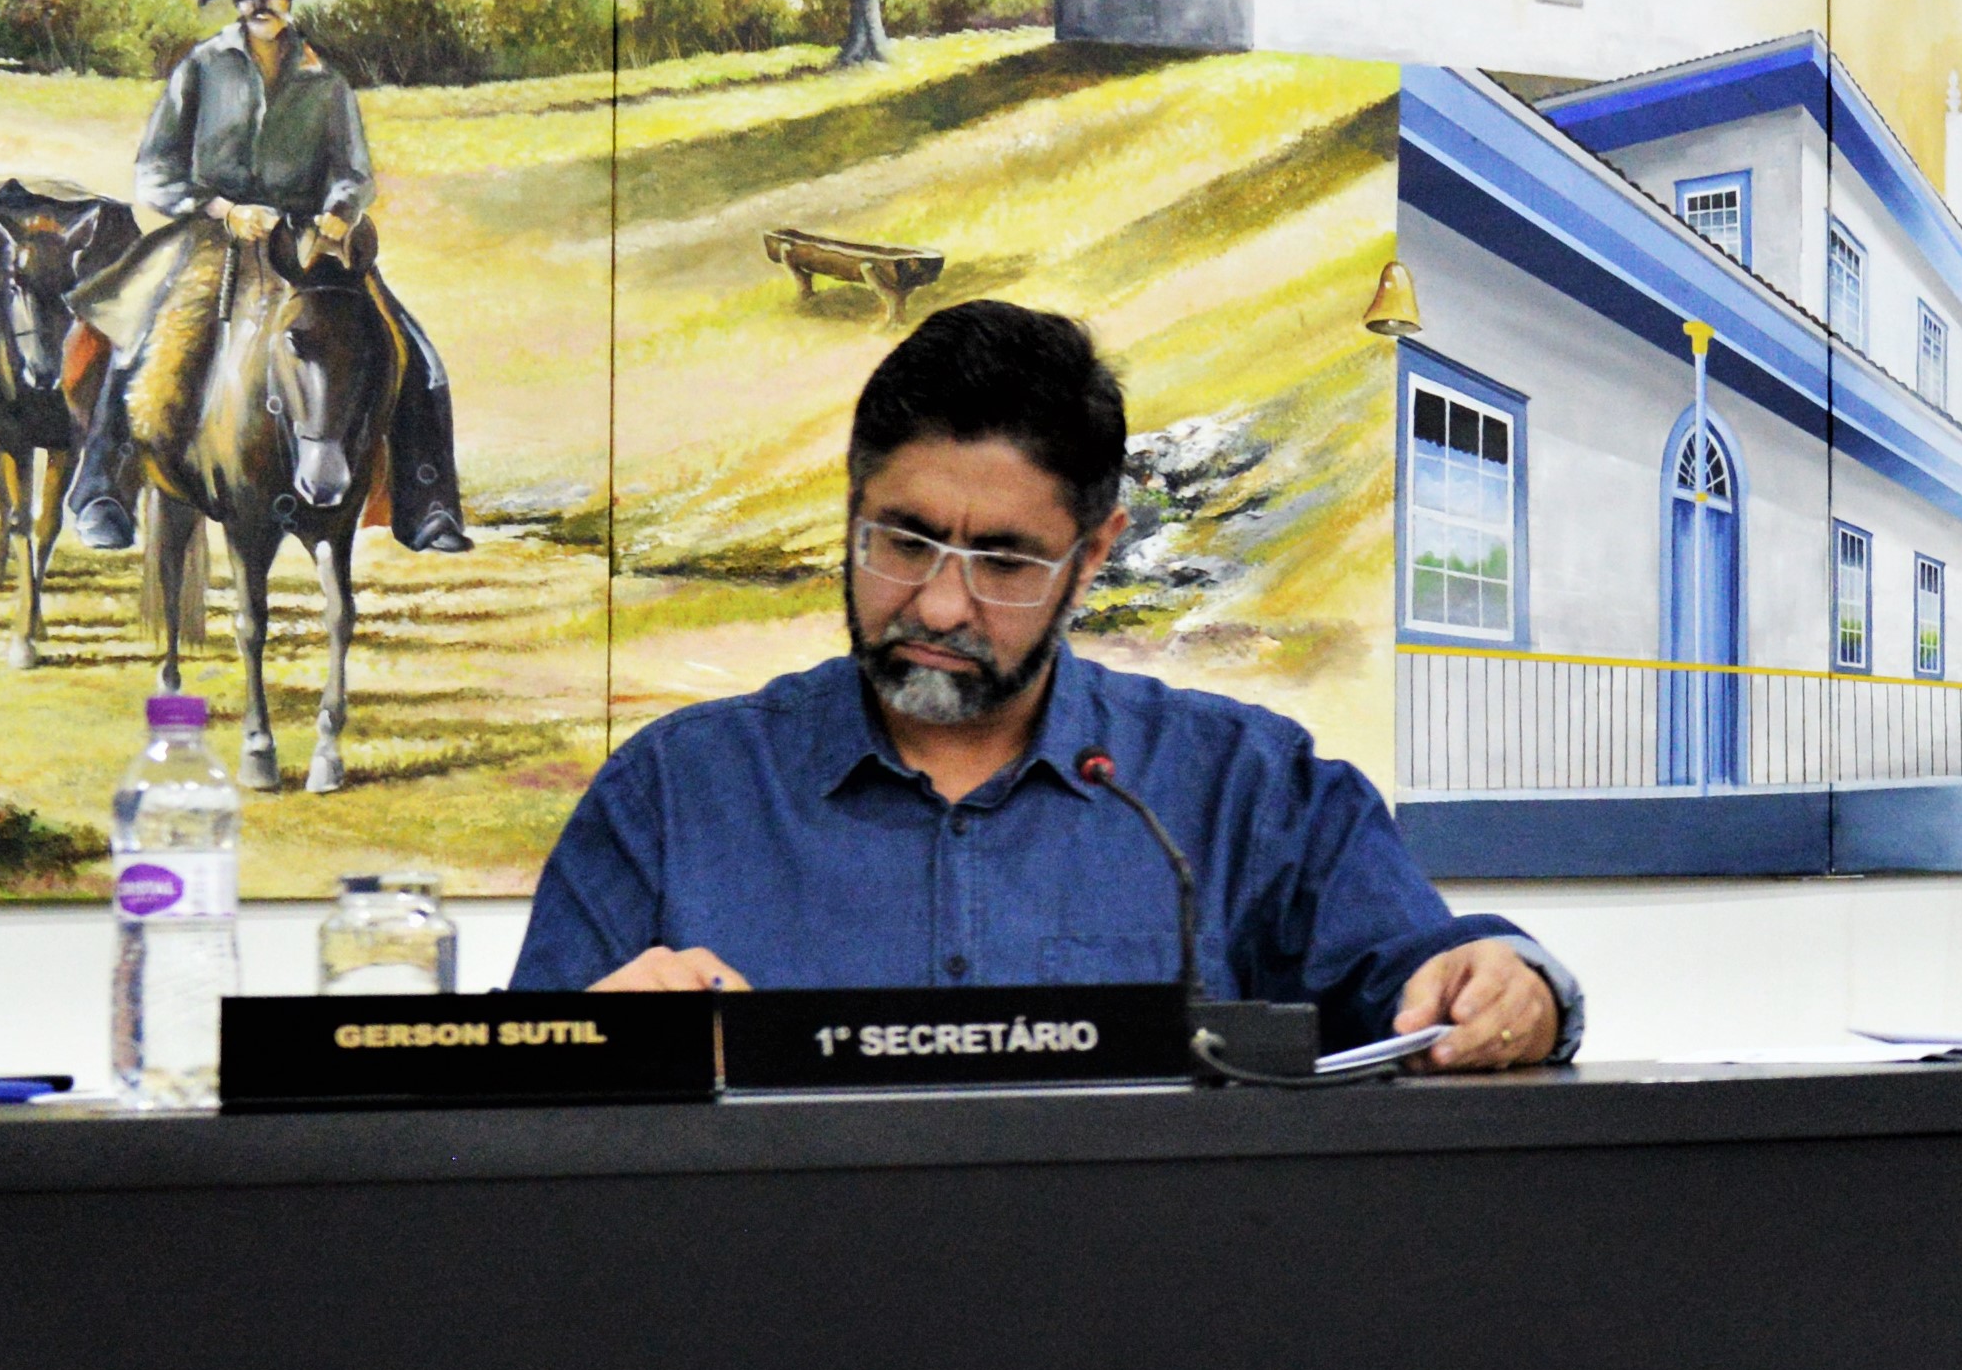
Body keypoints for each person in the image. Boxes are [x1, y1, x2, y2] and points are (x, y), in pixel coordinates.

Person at [516, 300, 1575, 1063]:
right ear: (851, 510)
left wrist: (1516, 987)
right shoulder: (674, 795)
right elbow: (511, 1111)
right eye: (904, 540)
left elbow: (1437, 985)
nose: (937, 605)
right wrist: (589, 1046)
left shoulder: (1245, 789)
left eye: (1007, 563)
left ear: (1095, 551)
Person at [66, 0, 470, 555]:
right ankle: (102, 492)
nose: (261, 2)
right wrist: (222, 209)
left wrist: (339, 210)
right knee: (138, 337)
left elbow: (354, 171)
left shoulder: (325, 80)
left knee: (409, 348)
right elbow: (156, 171)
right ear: (234, 0)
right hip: (212, 235)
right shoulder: (200, 69)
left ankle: (428, 504)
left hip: (310, 245)